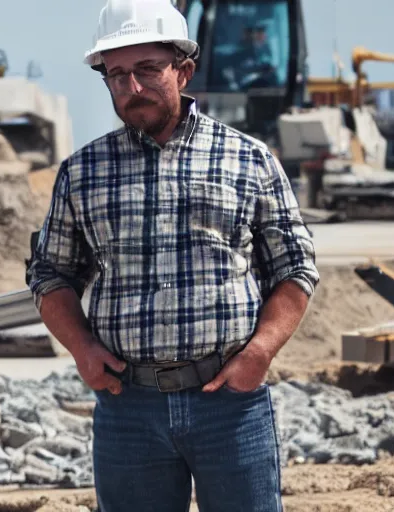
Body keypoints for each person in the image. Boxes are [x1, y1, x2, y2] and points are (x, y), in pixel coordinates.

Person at [26, 0, 319, 510]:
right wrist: (82, 350)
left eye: (146, 69)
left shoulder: (249, 160)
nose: (132, 87)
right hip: (128, 410)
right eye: (117, 75)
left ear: (183, 71)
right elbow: (51, 273)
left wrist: (258, 355)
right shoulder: (83, 173)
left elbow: (294, 268)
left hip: (230, 405)